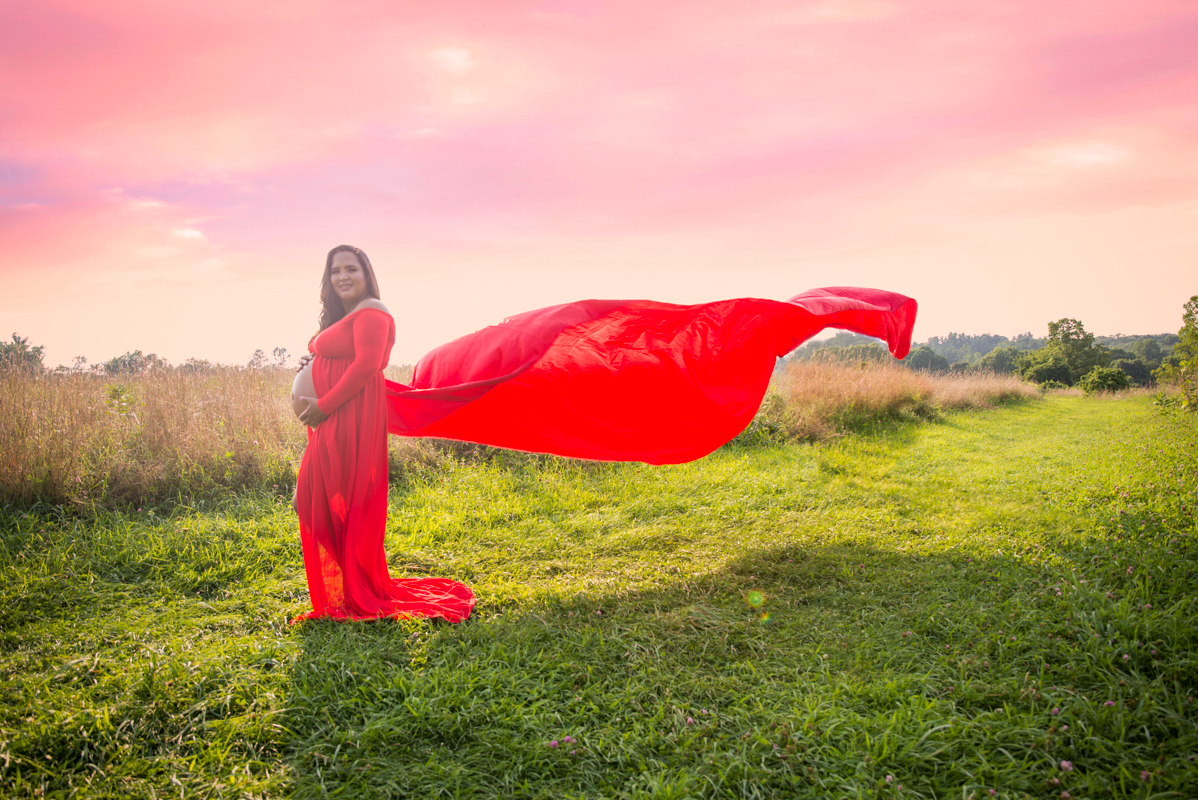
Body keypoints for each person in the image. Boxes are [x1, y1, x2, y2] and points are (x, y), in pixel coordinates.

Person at [290, 245, 475, 623]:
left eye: (351, 269)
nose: (342, 276)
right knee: (322, 497)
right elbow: (346, 356)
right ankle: (352, 584)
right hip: (337, 413)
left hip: (347, 412)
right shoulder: (351, 315)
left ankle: (355, 588)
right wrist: (313, 362)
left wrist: (324, 404)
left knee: (320, 497)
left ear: (366, 274)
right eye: (335, 271)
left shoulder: (372, 310)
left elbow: (367, 366)